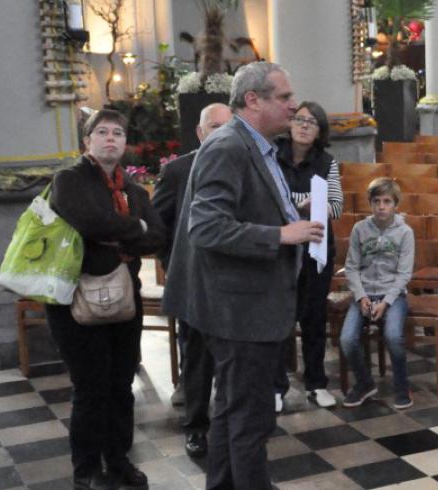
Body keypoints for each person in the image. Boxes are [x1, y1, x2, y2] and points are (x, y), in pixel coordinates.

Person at [162, 61, 323, 490]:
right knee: (250, 419)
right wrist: (281, 233)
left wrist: (291, 213)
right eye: (285, 98)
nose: (294, 107)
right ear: (253, 100)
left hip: (250, 306)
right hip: (239, 310)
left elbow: (244, 207)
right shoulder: (228, 146)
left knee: (236, 412)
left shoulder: (257, 146)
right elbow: (206, 226)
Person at [47, 109, 165, 490]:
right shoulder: (70, 179)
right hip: (76, 302)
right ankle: (85, 471)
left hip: (122, 298)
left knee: (120, 385)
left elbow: (157, 236)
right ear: (87, 141)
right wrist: (134, 228)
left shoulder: (130, 188)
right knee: (90, 388)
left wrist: (125, 232)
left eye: (118, 132)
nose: (111, 138)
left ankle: (118, 461)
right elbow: (90, 222)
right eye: (102, 132)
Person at [151, 101, 232, 458]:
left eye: (228, 127)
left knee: (234, 358)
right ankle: (196, 426)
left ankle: (234, 423)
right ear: (200, 133)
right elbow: (158, 227)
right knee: (196, 359)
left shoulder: (243, 165)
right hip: (194, 284)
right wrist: (174, 265)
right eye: (215, 127)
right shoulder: (178, 171)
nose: (223, 133)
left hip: (233, 283)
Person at [272, 101, 344, 411]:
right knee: (279, 317)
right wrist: (303, 201)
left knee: (314, 316)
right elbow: (269, 197)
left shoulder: (326, 162)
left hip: (316, 248)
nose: (303, 126)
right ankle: (275, 387)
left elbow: (336, 205)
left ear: (319, 132)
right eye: (299, 119)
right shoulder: (273, 156)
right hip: (282, 248)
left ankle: (316, 383)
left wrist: (314, 205)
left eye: (311, 122)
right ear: (289, 125)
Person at [340, 177, 416, 409]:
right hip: (363, 294)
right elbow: (351, 267)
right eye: (376, 201)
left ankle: (402, 387)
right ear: (370, 204)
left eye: (387, 201)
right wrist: (361, 296)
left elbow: (404, 274)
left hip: (393, 296)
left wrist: (386, 301)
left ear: (396, 205)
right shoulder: (360, 229)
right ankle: (364, 383)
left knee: (393, 336)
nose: (381, 206)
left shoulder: (405, 232)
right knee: (347, 339)